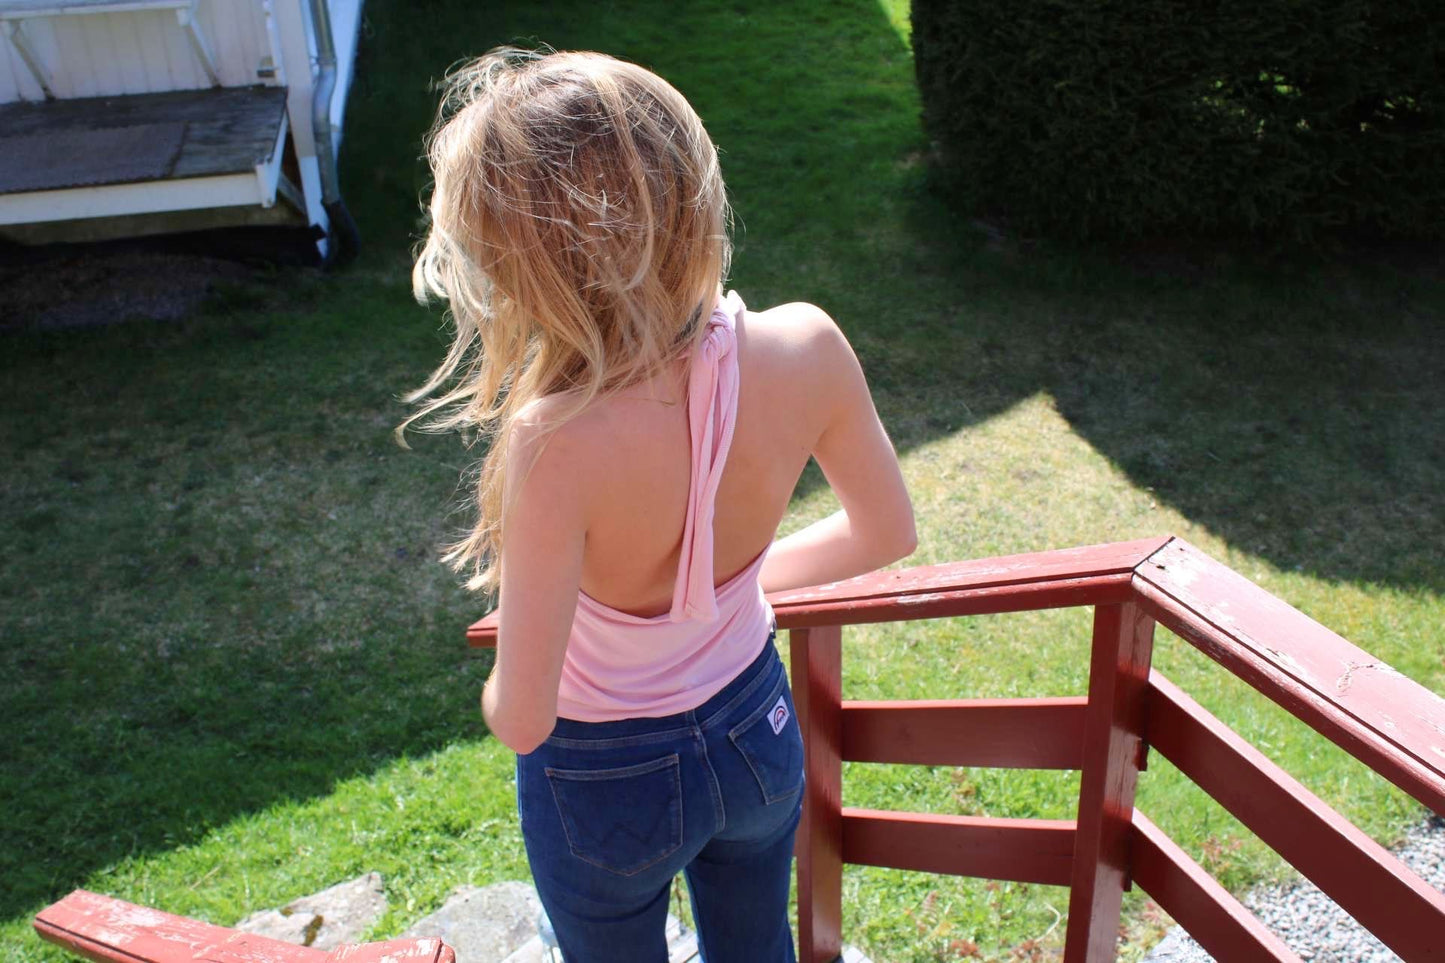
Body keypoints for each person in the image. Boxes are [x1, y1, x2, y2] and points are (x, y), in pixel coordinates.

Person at [405, 46, 915, 963]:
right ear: (692, 190)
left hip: (603, 777)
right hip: (756, 727)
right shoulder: (807, 345)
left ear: (520, 268)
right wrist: (720, 593)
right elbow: (886, 532)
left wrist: (500, 674)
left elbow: (523, 719)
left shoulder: (554, 441)